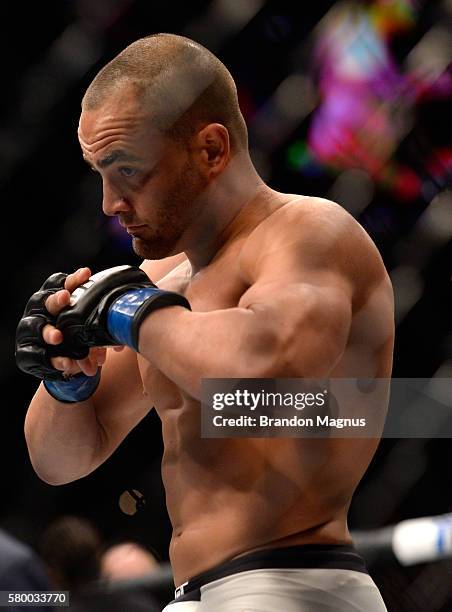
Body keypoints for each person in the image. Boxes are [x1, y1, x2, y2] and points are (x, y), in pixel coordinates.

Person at [17, 33, 394, 611]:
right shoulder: (162, 277)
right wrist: (66, 375)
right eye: (99, 172)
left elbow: (265, 369)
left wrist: (125, 312)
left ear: (211, 150)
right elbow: (61, 461)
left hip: (293, 582)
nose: (109, 202)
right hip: (197, 592)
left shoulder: (309, 234)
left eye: (128, 171)